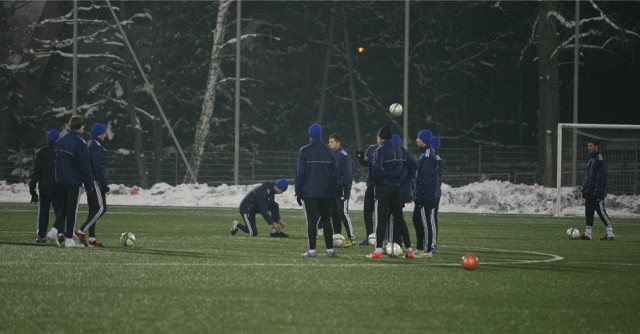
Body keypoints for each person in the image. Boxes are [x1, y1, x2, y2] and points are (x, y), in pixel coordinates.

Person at [46, 115, 94, 248]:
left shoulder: (61, 140)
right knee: (72, 210)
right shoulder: (80, 143)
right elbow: (85, 167)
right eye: (83, 125)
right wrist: (89, 184)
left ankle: (54, 231)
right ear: (79, 127)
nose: (84, 127)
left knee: (65, 207)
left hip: (61, 180)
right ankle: (69, 240)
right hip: (73, 181)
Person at [368, 125, 414, 259]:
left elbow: (376, 170)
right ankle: (410, 250)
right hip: (396, 189)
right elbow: (413, 167)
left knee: (381, 219)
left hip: (383, 188)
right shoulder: (401, 149)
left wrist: (378, 183)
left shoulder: (380, 150)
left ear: (381, 138)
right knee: (400, 220)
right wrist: (402, 180)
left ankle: (377, 251)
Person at [295, 123, 337, 258]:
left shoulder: (304, 151)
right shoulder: (330, 151)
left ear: (310, 135)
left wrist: (298, 191)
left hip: (309, 193)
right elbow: (334, 175)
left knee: (311, 222)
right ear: (321, 135)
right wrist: (334, 192)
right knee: (326, 220)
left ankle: (312, 251)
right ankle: (330, 250)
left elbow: (300, 173)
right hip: (326, 193)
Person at [75, 123, 110, 247]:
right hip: (95, 180)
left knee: (94, 209)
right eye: (104, 132)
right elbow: (98, 167)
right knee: (101, 209)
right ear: (100, 134)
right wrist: (104, 183)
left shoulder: (91, 144)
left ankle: (92, 238)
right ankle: (81, 231)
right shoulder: (95, 146)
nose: (105, 134)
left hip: (90, 180)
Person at [29, 129, 62, 244]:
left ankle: (42, 235)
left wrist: (32, 188)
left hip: (45, 187)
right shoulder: (61, 152)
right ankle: (61, 233)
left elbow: (36, 172)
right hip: (59, 187)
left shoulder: (42, 152)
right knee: (60, 212)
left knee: (43, 211)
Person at [578, 139, 614, 240]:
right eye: (588, 145)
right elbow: (588, 176)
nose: (588, 147)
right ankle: (588, 234)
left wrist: (598, 190)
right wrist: (585, 189)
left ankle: (610, 233)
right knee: (589, 213)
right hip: (589, 191)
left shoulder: (600, 158)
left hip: (596, 191)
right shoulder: (591, 159)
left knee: (601, 212)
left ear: (596, 146)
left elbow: (602, 175)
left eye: (590, 145)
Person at [412, 129, 439, 258]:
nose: (416, 140)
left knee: (425, 221)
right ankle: (419, 247)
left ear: (424, 140)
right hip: (422, 194)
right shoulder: (424, 154)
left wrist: (420, 194)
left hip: (425, 196)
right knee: (416, 220)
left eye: (418, 138)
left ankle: (428, 250)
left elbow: (426, 179)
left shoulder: (428, 155)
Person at [328, 133, 355, 247]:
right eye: (329, 142)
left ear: (338, 143)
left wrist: (345, 187)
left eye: (331, 142)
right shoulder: (332, 155)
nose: (329, 144)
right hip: (333, 189)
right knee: (334, 213)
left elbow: (348, 174)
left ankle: (351, 238)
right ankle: (337, 236)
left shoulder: (344, 155)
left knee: (342, 212)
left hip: (343, 189)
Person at [355, 143, 378, 245]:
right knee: (367, 212)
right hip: (371, 185)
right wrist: (361, 158)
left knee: (381, 213)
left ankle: (384, 237)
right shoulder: (372, 148)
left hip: (382, 186)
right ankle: (369, 236)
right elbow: (366, 163)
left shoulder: (387, 149)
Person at [430, 136, 444, 252]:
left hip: (433, 193)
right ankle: (429, 241)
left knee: (432, 218)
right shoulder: (431, 157)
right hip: (428, 192)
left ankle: (433, 243)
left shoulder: (437, 159)